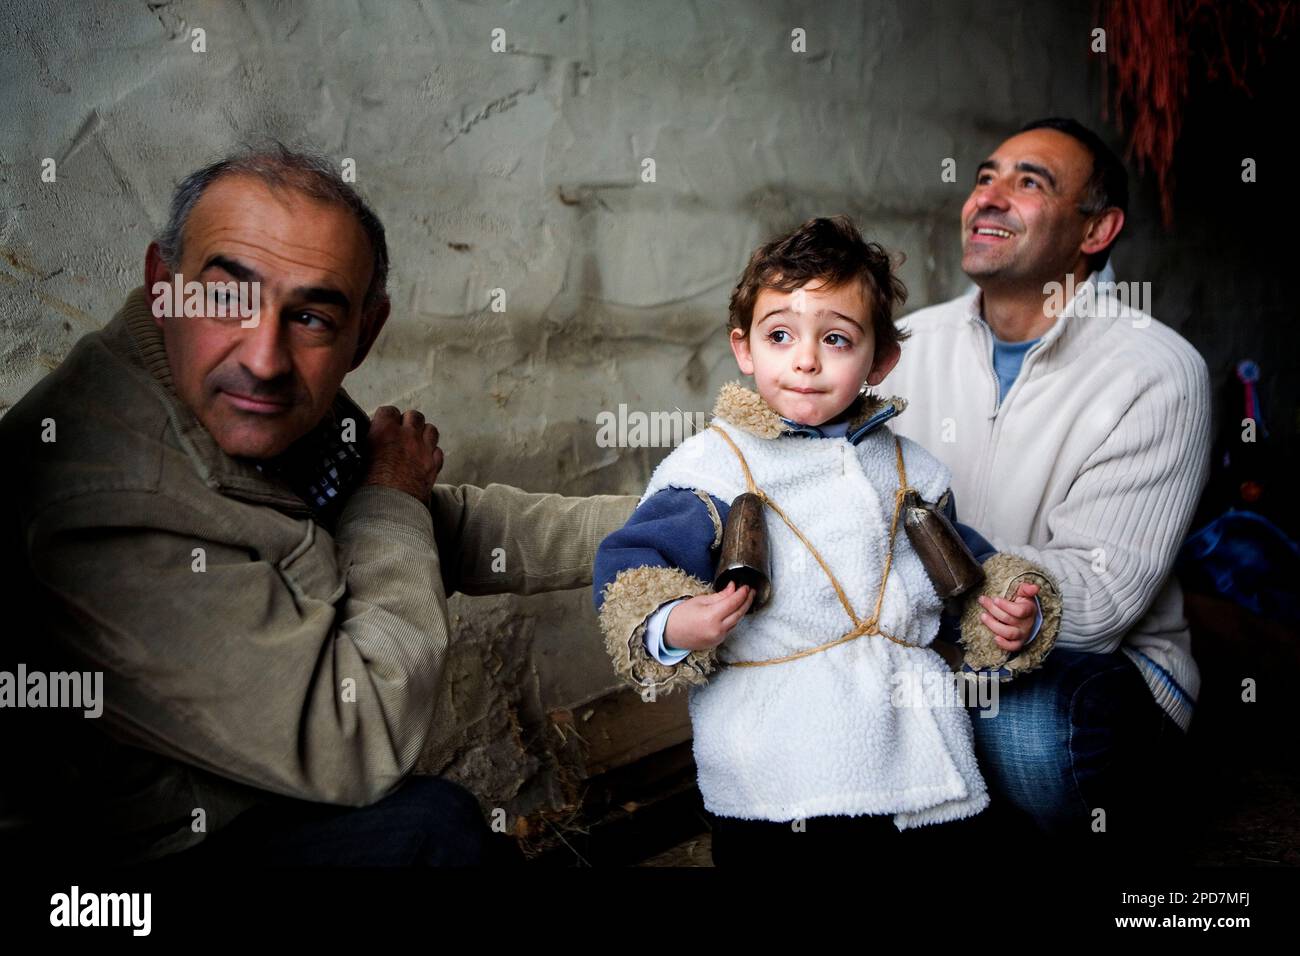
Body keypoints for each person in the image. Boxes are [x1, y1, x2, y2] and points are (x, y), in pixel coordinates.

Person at [0, 143, 638, 866]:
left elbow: (427, 528)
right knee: (432, 834)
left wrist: (673, 516)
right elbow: (361, 736)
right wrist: (390, 495)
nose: (264, 359)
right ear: (161, 286)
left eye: (310, 317)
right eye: (226, 299)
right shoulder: (105, 498)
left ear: (363, 333)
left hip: (248, 797)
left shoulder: (238, 396)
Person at [592, 216, 1062, 865]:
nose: (806, 359)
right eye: (780, 335)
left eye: (836, 338)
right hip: (780, 764)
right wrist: (673, 620)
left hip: (918, 752)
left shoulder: (912, 472)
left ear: (881, 359)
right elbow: (633, 567)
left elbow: (969, 571)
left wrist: (1008, 613)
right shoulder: (714, 468)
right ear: (744, 348)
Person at [888, 118, 1212, 856]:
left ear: (1097, 230)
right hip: (934, 650)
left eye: (1028, 182)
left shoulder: (1157, 371)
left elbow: (1101, 601)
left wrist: (982, 582)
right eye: (984, 178)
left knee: (1027, 733)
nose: (989, 196)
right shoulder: (905, 348)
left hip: (1101, 666)